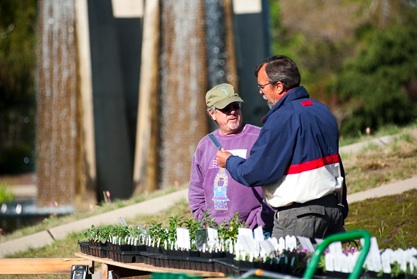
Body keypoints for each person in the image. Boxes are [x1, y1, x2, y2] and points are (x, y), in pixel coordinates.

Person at [216, 55, 348, 240]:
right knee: (328, 268)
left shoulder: (281, 118)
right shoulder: (322, 111)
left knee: (284, 269)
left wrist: (230, 161)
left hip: (299, 216)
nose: (261, 93)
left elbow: (257, 171)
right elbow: (337, 165)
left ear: (279, 86)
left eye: (262, 87)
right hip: (333, 210)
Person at [188, 83, 274, 237]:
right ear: (212, 114)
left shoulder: (259, 137)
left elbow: (275, 180)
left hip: (256, 231)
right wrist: (205, 221)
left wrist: (261, 219)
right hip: (216, 232)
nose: (232, 112)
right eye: (226, 108)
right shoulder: (205, 145)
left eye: (236, 105)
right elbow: (196, 191)